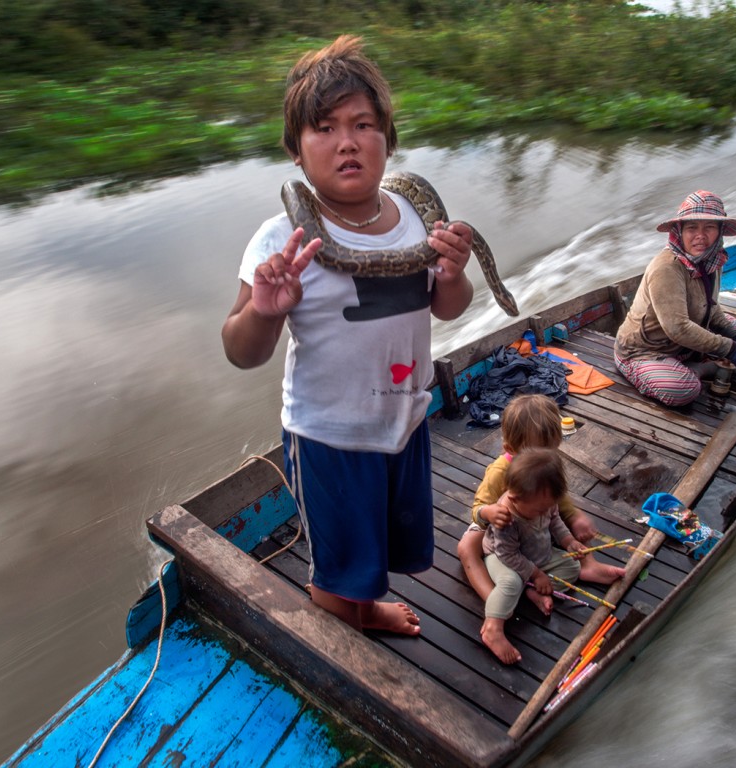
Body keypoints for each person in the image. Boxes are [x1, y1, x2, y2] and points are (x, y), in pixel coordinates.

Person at [221, 35, 474, 636]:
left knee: (378, 542)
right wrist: (265, 309)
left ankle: (366, 607)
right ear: (296, 149)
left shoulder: (416, 216)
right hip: (329, 436)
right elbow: (241, 352)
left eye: (364, 125)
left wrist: (454, 275)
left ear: (387, 138)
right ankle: (348, 628)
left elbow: (447, 309)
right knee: (337, 568)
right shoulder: (280, 238)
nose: (348, 142)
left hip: (406, 419)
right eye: (325, 128)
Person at [457, 393, 625, 605]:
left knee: (573, 519)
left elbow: (557, 499)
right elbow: (478, 507)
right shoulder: (499, 471)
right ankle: (494, 600)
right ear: (510, 449)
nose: (545, 460)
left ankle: (587, 564)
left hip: (535, 522)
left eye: (550, 452)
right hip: (500, 526)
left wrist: (575, 516)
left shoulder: (547, 461)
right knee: (466, 548)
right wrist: (489, 513)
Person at [613, 190, 736, 407]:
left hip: (681, 346)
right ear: (679, 231)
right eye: (692, 228)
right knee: (684, 389)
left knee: (735, 326)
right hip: (642, 351)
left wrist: (734, 337)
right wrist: (729, 348)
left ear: (720, 232)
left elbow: (712, 308)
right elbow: (678, 328)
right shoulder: (667, 267)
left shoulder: (712, 260)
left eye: (709, 227)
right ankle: (706, 368)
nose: (700, 235)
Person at [480, 447, 587, 664]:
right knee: (510, 583)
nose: (544, 512)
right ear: (514, 498)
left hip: (536, 554)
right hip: (502, 558)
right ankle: (492, 628)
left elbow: (555, 520)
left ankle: (530, 592)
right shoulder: (506, 517)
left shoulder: (543, 501)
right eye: (539, 510)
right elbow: (508, 554)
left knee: (572, 568)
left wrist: (568, 541)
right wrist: (536, 574)